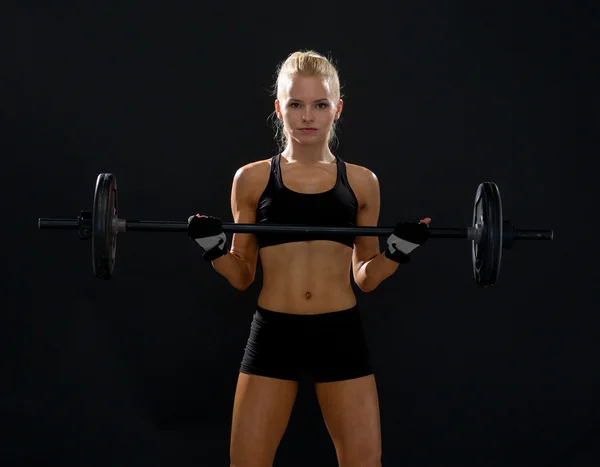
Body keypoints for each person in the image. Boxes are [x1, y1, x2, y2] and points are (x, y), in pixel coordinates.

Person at [187, 50, 431, 467]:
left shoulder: (361, 182)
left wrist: (399, 251)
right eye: (296, 104)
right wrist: (212, 248)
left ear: (337, 109)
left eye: (319, 105)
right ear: (279, 107)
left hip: (339, 332)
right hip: (274, 332)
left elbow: (366, 277)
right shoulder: (253, 178)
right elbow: (242, 274)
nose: (307, 116)